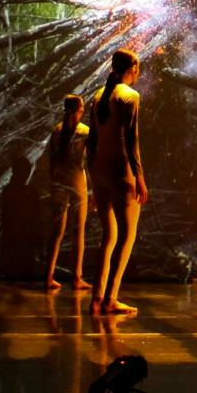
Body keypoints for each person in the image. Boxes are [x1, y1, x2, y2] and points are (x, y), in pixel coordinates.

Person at [87, 49, 148, 317]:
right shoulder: (129, 96)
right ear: (132, 67)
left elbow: (92, 142)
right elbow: (131, 140)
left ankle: (96, 297)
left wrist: (92, 177)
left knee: (108, 236)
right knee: (126, 236)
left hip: (99, 172)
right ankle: (111, 298)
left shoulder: (98, 96)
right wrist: (140, 178)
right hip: (121, 172)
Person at [45, 94, 93, 292]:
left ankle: (48, 276)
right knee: (78, 230)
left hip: (58, 182)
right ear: (78, 110)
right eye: (81, 108)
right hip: (77, 181)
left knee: (57, 231)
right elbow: (91, 161)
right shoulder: (85, 132)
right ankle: (77, 277)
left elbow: (50, 160)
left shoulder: (56, 130)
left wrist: (53, 179)